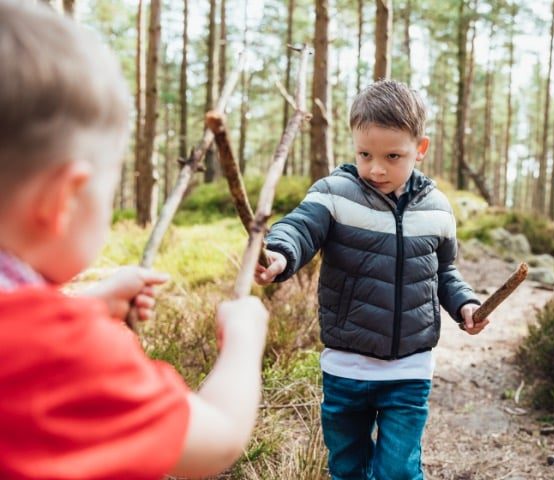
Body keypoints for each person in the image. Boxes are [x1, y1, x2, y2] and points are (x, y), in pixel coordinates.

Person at [0, 1, 268, 478]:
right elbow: (218, 438)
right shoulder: (66, 356)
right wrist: (244, 339)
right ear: (65, 197)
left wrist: (81, 306)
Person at [255, 79, 489, 479]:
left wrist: (465, 304)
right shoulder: (335, 193)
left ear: (421, 148)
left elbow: (445, 272)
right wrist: (279, 253)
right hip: (346, 368)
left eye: (392, 156)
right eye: (365, 154)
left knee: (398, 471)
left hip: (409, 370)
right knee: (348, 468)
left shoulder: (437, 209)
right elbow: (299, 228)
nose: (376, 168)